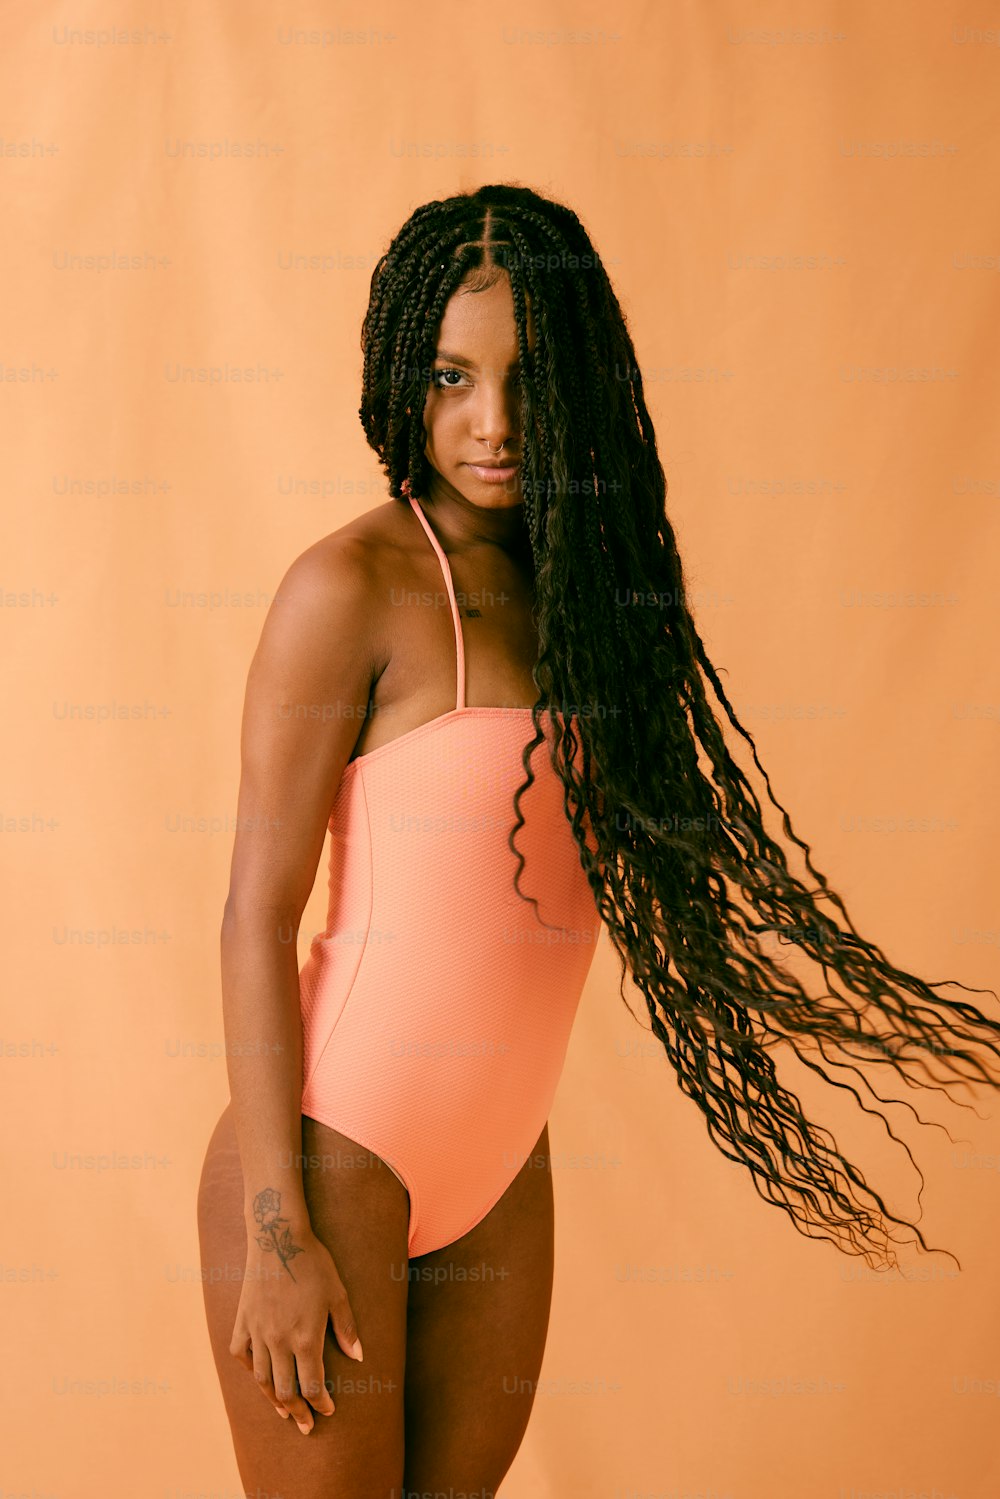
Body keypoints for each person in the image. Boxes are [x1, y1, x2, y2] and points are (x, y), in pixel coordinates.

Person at [197, 182, 1000, 1497]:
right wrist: (274, 1233)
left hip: (502, 1159)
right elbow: (251, 914)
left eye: (529, 376)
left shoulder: (592, 594)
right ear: (403, 375)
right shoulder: (354, 588)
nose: (492, 421)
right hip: (330, 1156)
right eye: (451, 375)